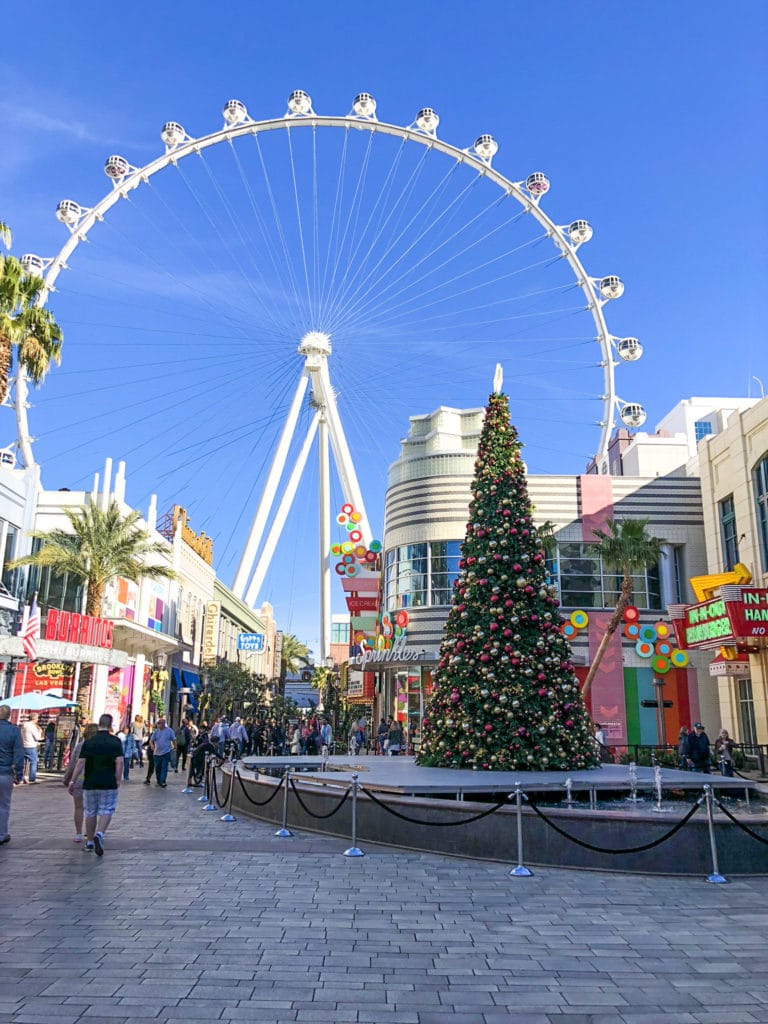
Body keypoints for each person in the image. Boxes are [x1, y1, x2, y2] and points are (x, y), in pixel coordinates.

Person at [67, 713, 123, 855]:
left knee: (90, 811)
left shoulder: (89, 742)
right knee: (107, 809)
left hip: (90, 781)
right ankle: (100, 834)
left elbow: (80, 763)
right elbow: (120, 761)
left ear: (99, 724)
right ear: (110, 725)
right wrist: (118, 778)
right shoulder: (115, 741)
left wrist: (73, 780)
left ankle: (90, 841)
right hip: (108, 781)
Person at [62, 722, 99, 842]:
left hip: (79, 780)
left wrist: (67, 779)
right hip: (94, 781)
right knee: (91, 809)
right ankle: (90, 834)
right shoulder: (100, 747)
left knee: (78, 808)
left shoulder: (80, 746)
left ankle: (78, 833)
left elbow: (73, 764)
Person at [0, 704, 24, 845]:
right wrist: (19, 773)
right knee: (4, 804)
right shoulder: (14, 731)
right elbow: (19, 754)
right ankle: (2, 833)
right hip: (5, 772)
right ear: (9, 715)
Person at [149, 717, 176, 787]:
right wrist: (152, 745)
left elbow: (174, 739)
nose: (158, 725)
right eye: (157, 724)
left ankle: (163, 781)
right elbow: (151, 740)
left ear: (163, 724)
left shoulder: (169, 731)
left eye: (159, 723)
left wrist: (175, 747)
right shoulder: (156, 732)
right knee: (157, 768)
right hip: (156, 753)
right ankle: (159, 781)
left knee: (164, 767)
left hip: (166, 752)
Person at [19, 713, 43, 783]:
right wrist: (40, 731)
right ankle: (32, 779)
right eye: (37, 718)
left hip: (23, 745)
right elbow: (37, 737)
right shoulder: (32, 726)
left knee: (22, 763)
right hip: (31, 746)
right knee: (33, 762)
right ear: (35, 719)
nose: (38, 720)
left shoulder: (23, 725)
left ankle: (21, 778)